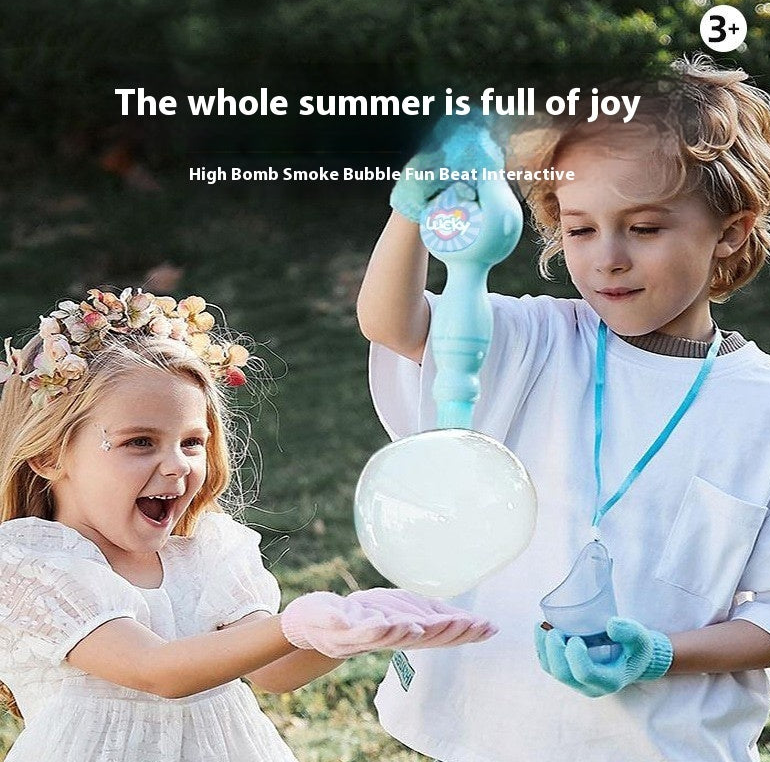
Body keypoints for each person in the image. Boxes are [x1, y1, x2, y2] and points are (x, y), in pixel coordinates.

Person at [356, 55, 770, 762]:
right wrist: (411, 208)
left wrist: (658, 654)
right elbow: (393, 323)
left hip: (659, 746)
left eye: (645, 228)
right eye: (581, 228)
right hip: (484, 729)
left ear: (733, 230)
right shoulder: (540, 339)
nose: (607, 259)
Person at [0, 288, 496, 762]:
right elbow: (155, 672)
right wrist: (296, 623)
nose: (176, 466)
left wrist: (347, 631)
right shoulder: (34, 566)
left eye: (192, 442)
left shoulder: (203, 550)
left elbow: (275, 669)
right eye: (140, 442)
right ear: (48, 456)